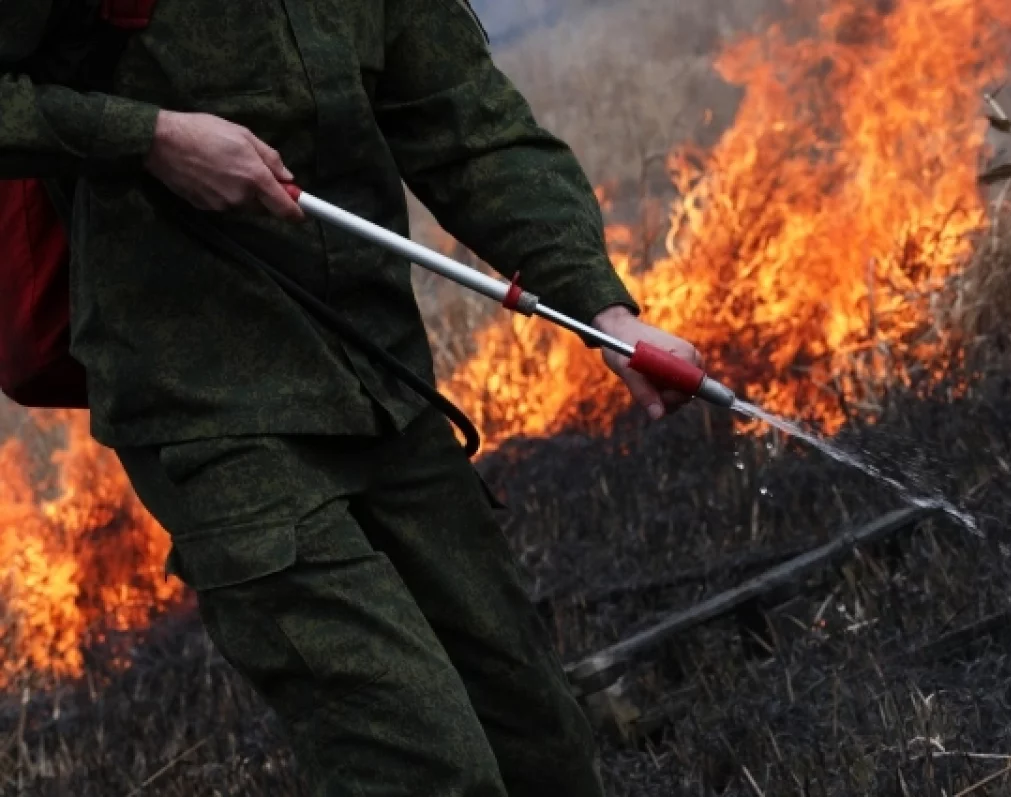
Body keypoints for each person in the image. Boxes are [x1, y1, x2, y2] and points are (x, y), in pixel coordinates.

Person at [0, 2, 702, 794]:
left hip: (383, 389)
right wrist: (151, 138)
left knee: (544, 745)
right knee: (426, 767)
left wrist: (599, 309)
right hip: (212, 416)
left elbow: (469, 128)